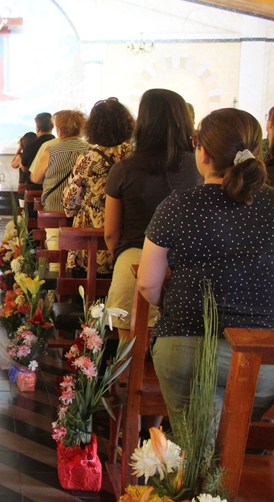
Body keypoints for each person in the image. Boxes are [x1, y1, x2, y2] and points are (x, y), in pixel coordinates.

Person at [137, 108, 274, 423]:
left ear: (203, 152)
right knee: (237, 442)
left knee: (195, 442)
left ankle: (193, 465)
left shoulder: (178, 205)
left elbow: (147, 283)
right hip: (264, 356)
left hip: (187, 348)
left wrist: (169, 304)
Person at [104, 89, 202, 341]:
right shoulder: (199, 168)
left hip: (135, 262)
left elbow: (111, 232)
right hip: (190, 269)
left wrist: (125, 259)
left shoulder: (124, 169)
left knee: (128, 354)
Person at [62, 98, 135, 275]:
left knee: (89, 296)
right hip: (128, 242)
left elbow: (70, 206)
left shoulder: (89, 158)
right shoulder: (136, 156)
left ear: (93, 127)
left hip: (92, 246)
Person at [31, 110, 89, 264]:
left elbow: (35, 178)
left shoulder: (51, 151)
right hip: (81, 213)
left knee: (56, 252)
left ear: (60, 130)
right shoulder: (90, 150)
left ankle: (56, 284)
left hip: (55, 210)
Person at [22, 113, 57, 187]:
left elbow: (24, 168)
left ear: (38, 128)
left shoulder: (30, 146)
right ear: (53, 127)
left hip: (34, 188)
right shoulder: (59, 145)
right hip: (55, 188)